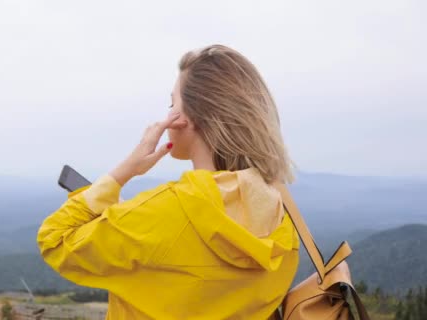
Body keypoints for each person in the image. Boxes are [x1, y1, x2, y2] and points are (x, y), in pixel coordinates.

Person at [37, 44, 299, 319]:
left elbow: (54, 238)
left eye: (172, 103)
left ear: (189, 118)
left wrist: (124, 171)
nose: (167, 114)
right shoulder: (282, 218)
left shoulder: (163, 212)